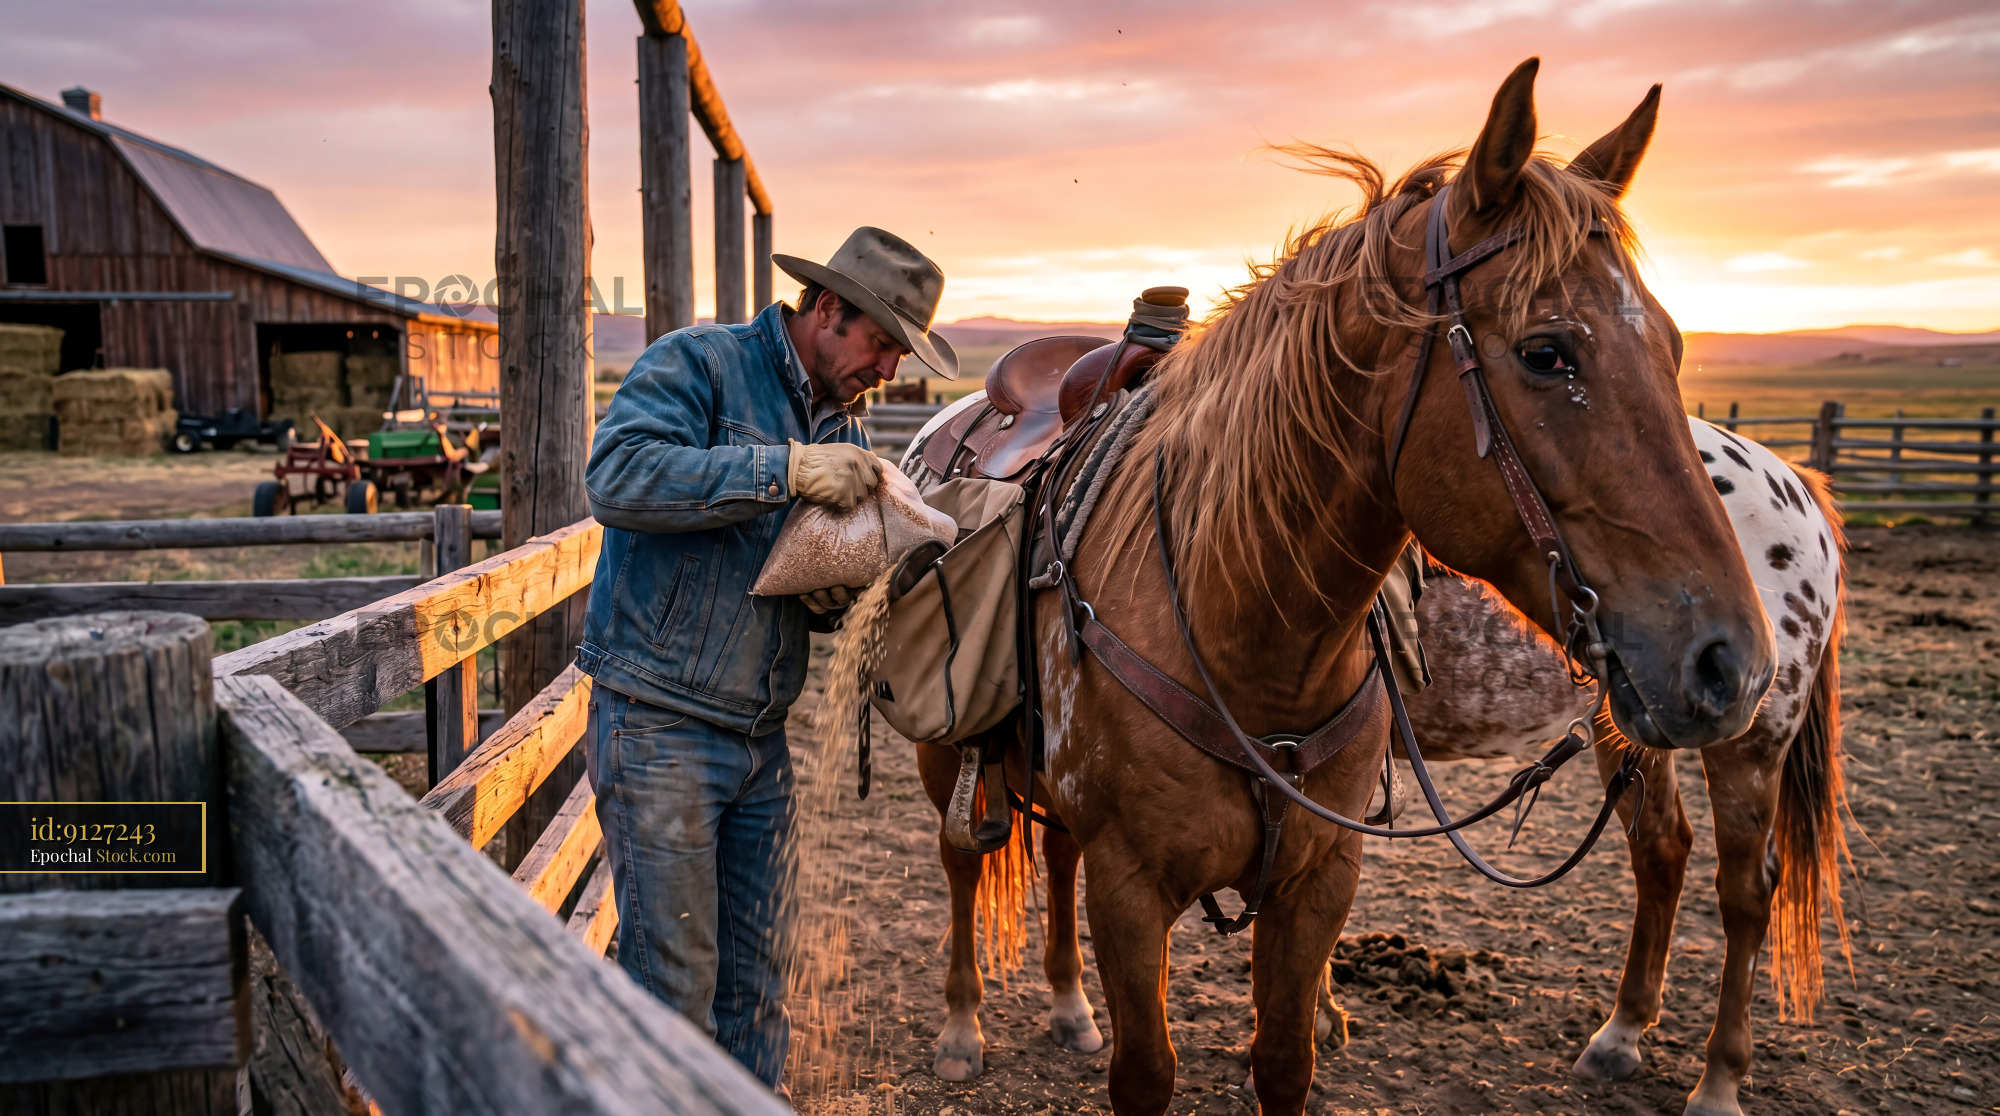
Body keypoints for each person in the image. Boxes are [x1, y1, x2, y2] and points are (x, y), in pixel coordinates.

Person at [575, 227, 958, 1089]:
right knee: (672, 989)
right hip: (661, 723)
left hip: (758, 736)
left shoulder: (838, 420)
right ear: (828, 309)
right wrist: (783, 468)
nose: (889, 371)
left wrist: (832, 591)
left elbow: (767, 567)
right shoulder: (702, 364)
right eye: (885, 345)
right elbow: (618, 477)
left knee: (756, 986)